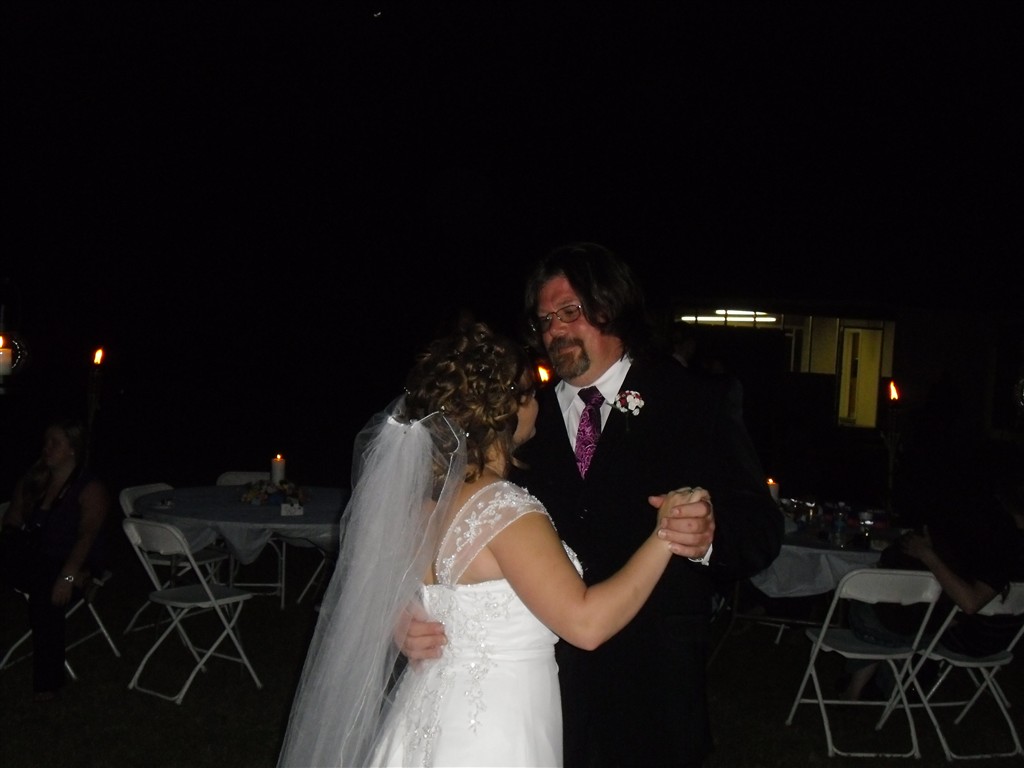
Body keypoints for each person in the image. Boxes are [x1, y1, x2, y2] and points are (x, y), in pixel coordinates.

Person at [403, 242, 784, 767]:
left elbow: (761, 529)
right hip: (532, 699)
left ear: (611, 306)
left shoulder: (695, 400)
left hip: (653, 693)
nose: (555, 331)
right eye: (544, 320)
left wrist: (709, 536)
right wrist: (405, 615)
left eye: (570, 312)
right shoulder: (513, 418)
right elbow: (435, 523)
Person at [276, 321, 701, 767]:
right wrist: (665, 536)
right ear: (508, 408)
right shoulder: (505, 511)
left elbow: (376, 585)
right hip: (494, 731)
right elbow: (586, 625)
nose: (539, 404)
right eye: (531, 394)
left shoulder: (422, 507)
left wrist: (399, 618)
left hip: (424, 713)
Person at [842, 471, 1024, 701]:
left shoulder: (1007, 546)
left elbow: (970, 602)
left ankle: (862, 688)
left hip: (971, 636)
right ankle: (878, 687)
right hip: (1000, 635)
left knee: (873, 611)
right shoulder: (1003, 541)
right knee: (896, 610)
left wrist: (928, 556)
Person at [0, 416, 112, 700]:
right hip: (37, 558)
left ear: (73, 449)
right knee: (36, 570)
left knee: (46, 592)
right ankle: (81, 582)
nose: (46, 448)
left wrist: (69, 575)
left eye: (55, 443)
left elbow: (86, 536)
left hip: (74, 561)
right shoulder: (34, 480)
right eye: (46, 442)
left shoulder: (89, 488)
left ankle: (47, 682)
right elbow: (11, 522)